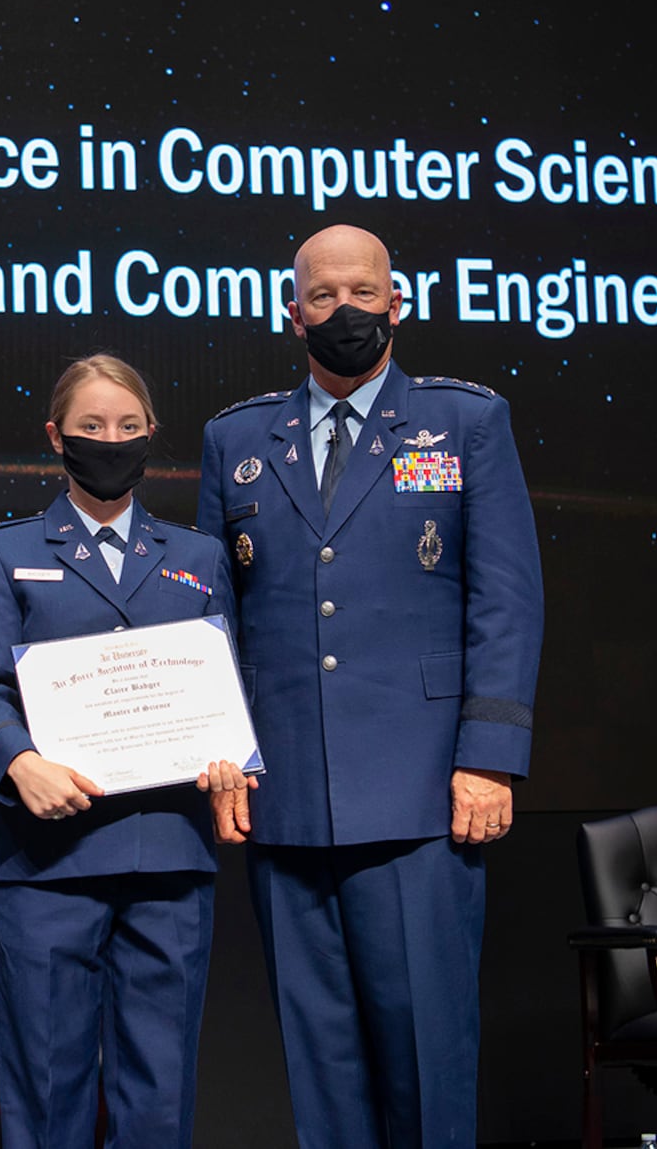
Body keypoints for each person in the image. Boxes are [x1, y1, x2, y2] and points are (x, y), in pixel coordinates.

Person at [198, 224, 544, 1148]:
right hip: (286, 800)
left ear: (399, 302)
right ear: (291, 313)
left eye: (362, 292)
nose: (344, 310)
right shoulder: (235, 438)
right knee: (321, 1070)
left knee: (427, 1064)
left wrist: (490, 758)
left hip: (427, 794)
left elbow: (505, 601)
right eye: (323, 295)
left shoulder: (466, 422)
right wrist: (225, 753)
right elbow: (212, 621)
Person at [0, 354, 248, 1148]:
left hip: (169, 855)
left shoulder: (200, 557)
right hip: (49, 856)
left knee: (159, 1096)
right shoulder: (2, 550)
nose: (109, 440)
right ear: (56, 436)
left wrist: (230, 763)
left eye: (126, 426)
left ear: (151, 435)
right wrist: (20, 763)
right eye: (90, 426)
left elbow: (226, 693)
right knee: (49, 1090)